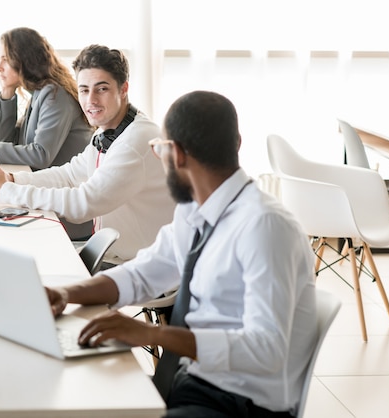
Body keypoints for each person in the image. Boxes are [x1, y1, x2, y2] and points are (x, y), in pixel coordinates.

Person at [45, 91, 318, 417]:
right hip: (192, 381)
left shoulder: (264, 226)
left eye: (159, 149)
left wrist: (151, 334)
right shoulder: (194, 211)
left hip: (241, 403)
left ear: (177, 155)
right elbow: (142, 274)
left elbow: (266, 350)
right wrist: (66, 293)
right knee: (75, 396)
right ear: (237, 143)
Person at [0, 45, 175, 262]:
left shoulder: (134, 142)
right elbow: (69, 176)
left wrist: (7, 191)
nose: (91, 100)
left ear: (123, 89)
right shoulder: (111, 130)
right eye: (83, 90)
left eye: (102, 89)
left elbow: (83, 204)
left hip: (141, 272)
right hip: (111, 258)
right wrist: (13, 178)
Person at [0, 27, 92, 170]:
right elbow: (6, 142)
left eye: (6, 59)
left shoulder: (54, 95)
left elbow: (40, 156)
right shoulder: (38, 94)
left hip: (63, 189)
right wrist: (7, 92)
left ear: (26, 60)